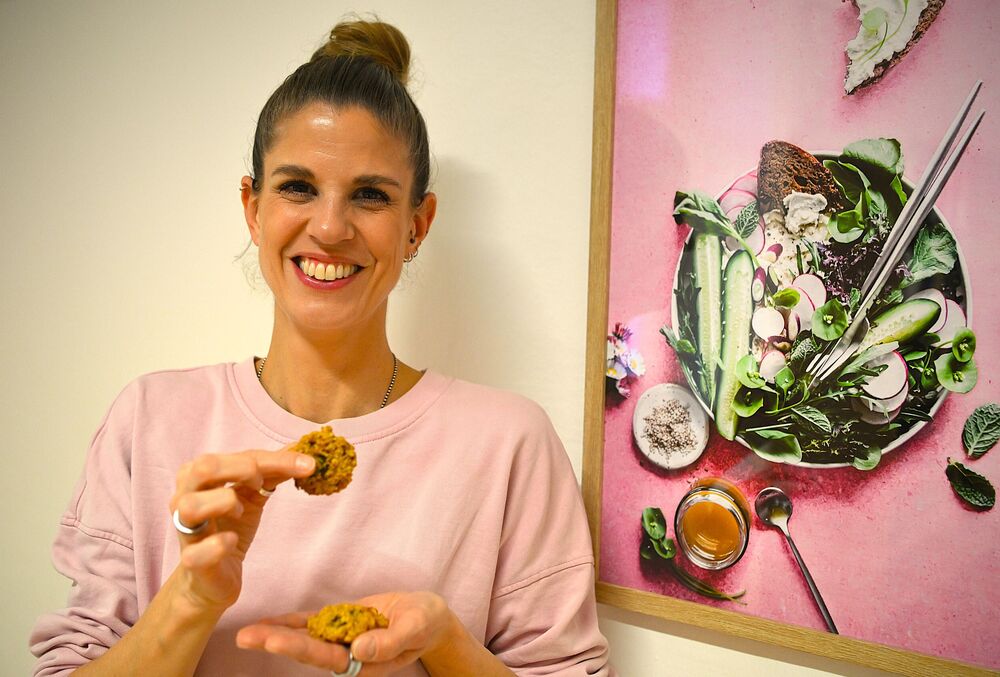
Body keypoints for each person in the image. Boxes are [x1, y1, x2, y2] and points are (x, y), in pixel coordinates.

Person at [30, 18, 613, 677]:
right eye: (298, 187)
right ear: (253, 209)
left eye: (370, 195)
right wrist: (191, 597)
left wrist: (444, 640)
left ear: (417, 226)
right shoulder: (148, 419)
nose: (331, 227)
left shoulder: (509, 444)